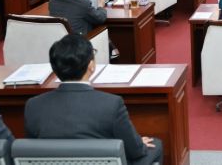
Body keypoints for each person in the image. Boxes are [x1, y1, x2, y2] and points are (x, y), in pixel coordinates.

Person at [24, 34, 163, 165]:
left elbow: (32, 152)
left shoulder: (33, 105)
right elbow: (135, 152)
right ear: (91, 66)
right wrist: (139, 144)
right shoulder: (112, 104)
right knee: (155, 145)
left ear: (55, 69)